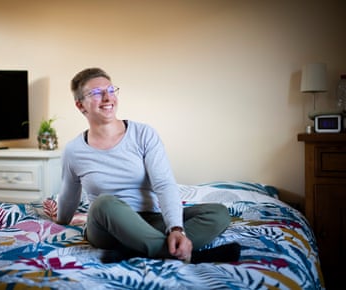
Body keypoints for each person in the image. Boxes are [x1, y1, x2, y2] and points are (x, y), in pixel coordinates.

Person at [55, 67, 240, 263]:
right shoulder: (74, 150)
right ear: (80, 105)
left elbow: (164, 184)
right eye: (96, 93)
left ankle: (136, 249)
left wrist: (176, 229)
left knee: (218, 213)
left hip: (150, 220)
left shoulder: (143, 134)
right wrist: (61, 220)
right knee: (103, 202)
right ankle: (190, 255)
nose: (107, 98)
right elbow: (68, 195)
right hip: (106, 227)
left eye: (110, 90)